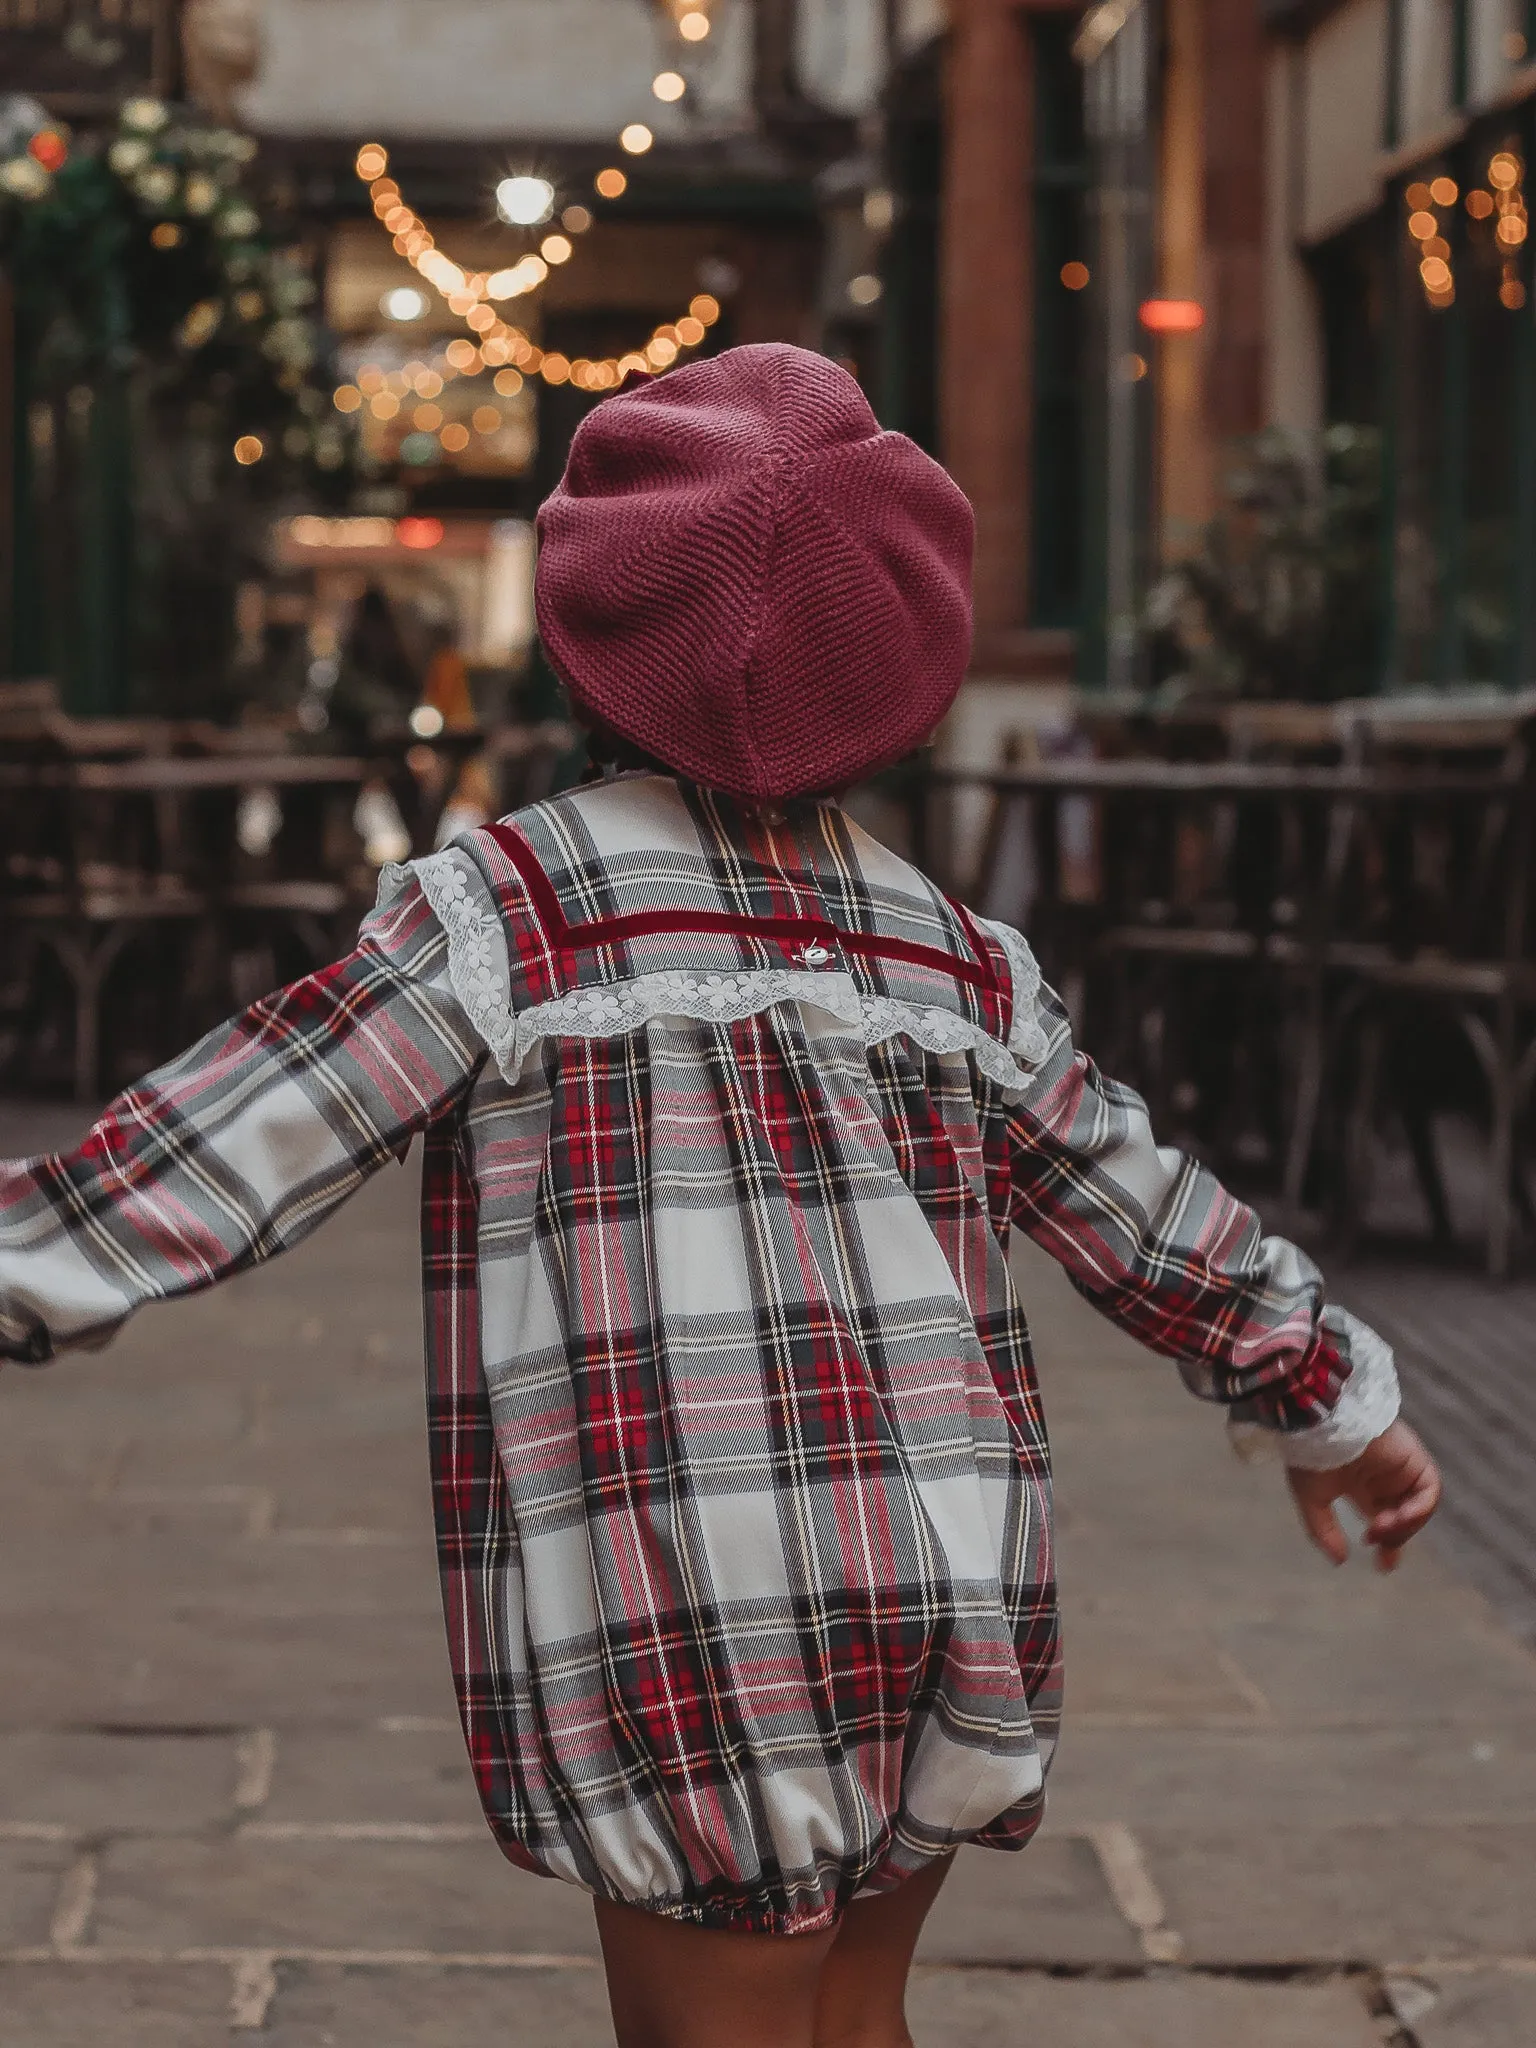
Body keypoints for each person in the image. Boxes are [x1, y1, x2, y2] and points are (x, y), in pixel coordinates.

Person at [0, 345, 1439, 2048]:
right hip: (947, 1562)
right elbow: (1145, 1209)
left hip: (692, 1590)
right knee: (851, 2017)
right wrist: (1329, 1397)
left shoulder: (509, 912)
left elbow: (231, 1142)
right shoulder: (954, 952)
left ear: (592, 624)